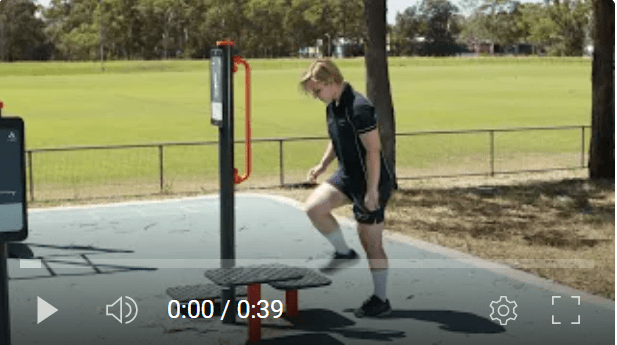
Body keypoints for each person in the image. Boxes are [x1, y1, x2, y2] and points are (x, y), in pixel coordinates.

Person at [299, 59, 396, 318]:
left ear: (331, 82)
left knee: (371, 244)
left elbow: (374, 151)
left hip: (371, 179)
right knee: (314, 208)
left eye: (316, 91)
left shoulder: (359, 107)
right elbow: (336, 139)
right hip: (347, 175)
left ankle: (381, 299)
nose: (315, 96)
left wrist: (373, 192)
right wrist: (321, 166)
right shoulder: (333, 105)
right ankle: (343, 252)